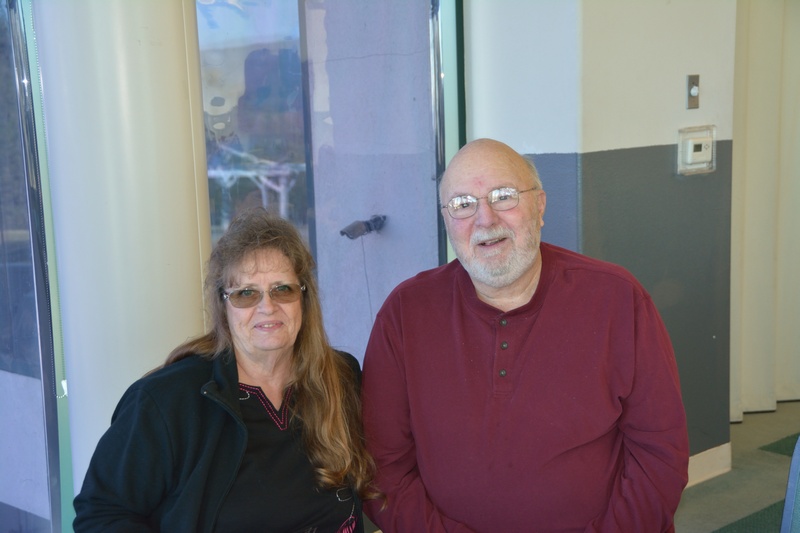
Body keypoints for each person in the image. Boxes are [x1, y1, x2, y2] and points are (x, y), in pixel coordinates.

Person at [361, 138, 689, 532]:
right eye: (463, 204)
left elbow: (660, 456)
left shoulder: (617, 299)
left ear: (540, 205)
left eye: (503, 196)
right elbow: (382, 468)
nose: (485, 220)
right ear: (447, 220)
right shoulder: (404, 313)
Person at [74, 208, 376, 532]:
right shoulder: (166, 401)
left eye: (282, 289)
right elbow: (101, 515)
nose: (267, 307)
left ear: (304, 298)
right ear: (223, 306)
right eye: (246, 293)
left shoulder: (340, 377)